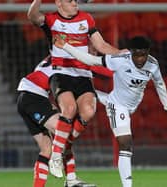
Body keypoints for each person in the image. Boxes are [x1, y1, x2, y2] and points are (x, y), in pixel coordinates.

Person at [54, 35, 167, 187]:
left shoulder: (153, 64)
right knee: (126, 144)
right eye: (136, 55)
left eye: (143, 54)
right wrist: (65, 46)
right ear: (131, 52)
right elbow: (92, 61)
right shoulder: (119, 60)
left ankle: (94, 94)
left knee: (103, 99)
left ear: (148, 53)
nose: (140, 59)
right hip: (117, 105)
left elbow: (159, 83)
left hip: (132, 105)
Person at [27, 0, 122, 178]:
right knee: (69, 109)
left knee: (88, 111)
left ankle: (61, 145)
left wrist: (121, 54)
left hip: (83, 74)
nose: (75, 3)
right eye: (70, 0)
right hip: (61, 73)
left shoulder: (87, 19)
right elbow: (32, 17)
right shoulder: (51, 20)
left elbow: (101, 46)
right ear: (59, 3)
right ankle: (56, 156)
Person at [17, 56, 96, 187]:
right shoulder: (66, 64)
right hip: (33, 98)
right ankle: (71, 180)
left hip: (25, 97)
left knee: (47, 149)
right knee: (64, 134)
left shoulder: (50, 60)